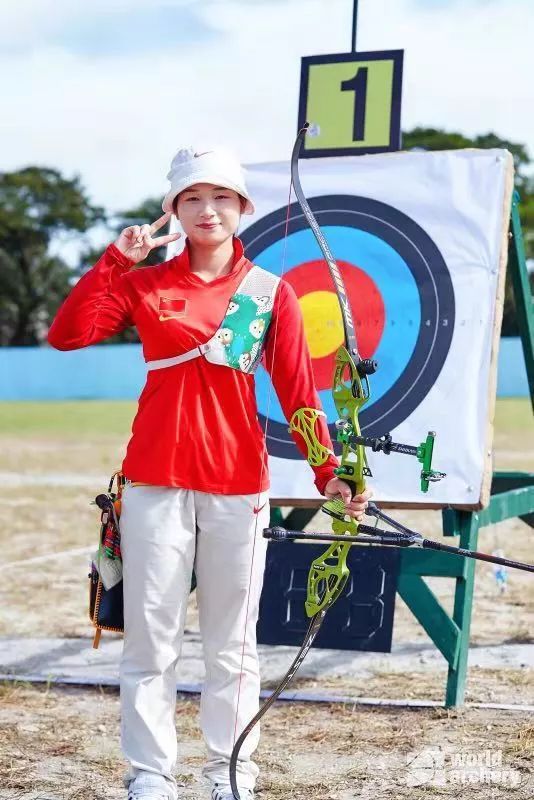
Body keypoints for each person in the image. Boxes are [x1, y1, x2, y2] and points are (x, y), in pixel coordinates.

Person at [47, 146, 371, 800]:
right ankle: (149, 776)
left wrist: (328, 472)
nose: (207, 210)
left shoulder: (268, 292)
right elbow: (67, 335)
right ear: (173, 209)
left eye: (221, 197)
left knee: (232, 648)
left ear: (243, 209)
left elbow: (299, 395)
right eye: (191, 198)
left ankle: (232, 774)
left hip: (238, 488)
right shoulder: (145, 284)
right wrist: (118, 260)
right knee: (151, 643)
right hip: (153, 483)